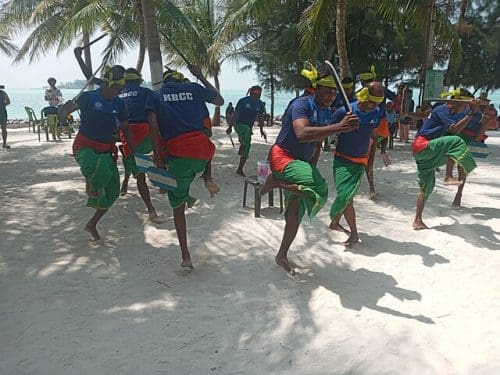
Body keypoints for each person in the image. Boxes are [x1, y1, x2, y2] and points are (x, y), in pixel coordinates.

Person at [259, 64, 359, 275]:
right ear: (316, 88)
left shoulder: (327, 111)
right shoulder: (301, 104)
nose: (332, 94)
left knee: (295, 214)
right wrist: (339, 127)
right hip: (282, 157)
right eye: (327, 89)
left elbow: (317, 141)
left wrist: (312, 164)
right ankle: (275, 181)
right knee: (320, 190)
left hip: (302, 163)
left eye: (334, 90)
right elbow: (302, 134)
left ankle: (281, 255)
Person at [146, 66, 224, 269]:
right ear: (181, 81)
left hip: (179, 155)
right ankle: (207, 179)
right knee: (202, 140)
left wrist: (158, 160)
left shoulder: (156, 95)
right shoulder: (194, 88)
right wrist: (200, 76)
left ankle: (186, 256)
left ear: (165, 83)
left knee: (177, 208)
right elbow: (219, 101)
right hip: (205, 152)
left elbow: (153, 127)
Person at [59, 65, 135, 242]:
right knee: (92, 167)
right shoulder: (87, 97)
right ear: (107, 84)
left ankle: (92, 224)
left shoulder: (119, 103)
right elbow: (63, 115)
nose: (119, 92)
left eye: (121, 89)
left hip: (106, 150)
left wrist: (134, 149)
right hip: (85, 146)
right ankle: (91, 181)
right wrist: (64, 110)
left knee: (113, 192)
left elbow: (125, 127)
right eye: (118, 89)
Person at [412, 88, 479, 230]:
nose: (465, 108)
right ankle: (448, 175)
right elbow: (454, 131)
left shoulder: (451, 113)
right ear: (455, 103)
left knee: (426, 187)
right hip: (423, 145)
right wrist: (471, 113)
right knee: (456, 141)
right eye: (464, 106)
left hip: (424, 151)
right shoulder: (442, 110)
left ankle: (417, 220)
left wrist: (472, 112)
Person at [329, 82, 385, 247]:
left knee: (348, 196)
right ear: (364, 96)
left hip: (361, 161)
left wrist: (377, 154)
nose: (374, 106)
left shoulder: (375, 112)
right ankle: (354, 233)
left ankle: (335, 222)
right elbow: (328, 130)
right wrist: (343, 125)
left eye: (377, 103)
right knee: (346, 197)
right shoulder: (344, 111)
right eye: (371, 102)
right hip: (342, 161)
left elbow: (372, 135)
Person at [114, 67, 164, 222]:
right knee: (156, 159)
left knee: (139, 172)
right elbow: (157, 114)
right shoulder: (147, 93)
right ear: (138, 80)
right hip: (144, 133)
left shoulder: (117, 95)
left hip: (125, 134)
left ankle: (150, 208)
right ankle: (160, 186)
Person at [444, 93, 489, 207]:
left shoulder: (484, 116)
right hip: (458, 136)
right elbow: (454, 123)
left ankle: (459, 194)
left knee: (462, 168)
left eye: (485, 102)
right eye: (481, 101)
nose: (483, 104)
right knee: (451, 158)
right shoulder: (466, 109)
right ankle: (448, 177)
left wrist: (484, 125)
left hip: (469, 139)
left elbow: (479, 135)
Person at [358, 65, 393, 199]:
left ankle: (371, 187)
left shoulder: (362, 93)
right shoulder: (372, 92)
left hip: (374, 126)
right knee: (366, 160)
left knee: (367, 160)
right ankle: (371, 187)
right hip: (372, 127)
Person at [226, 85, 267, 176]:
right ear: (253, 92)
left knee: (246, 137)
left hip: (248, 127)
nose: (259, 94)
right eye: (258, 92)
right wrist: (230, 126)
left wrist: (261, 130)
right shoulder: (243, 101)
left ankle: (242, 146)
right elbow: (235, 114)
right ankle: (240, 169)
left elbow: (260, 117)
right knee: (247, 145)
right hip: (239, 125)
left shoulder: (260, 104)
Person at [0, 85, 11, 149]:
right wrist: (3, 104)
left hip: (2, 112)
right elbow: (8, 102)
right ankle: (4, 143)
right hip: (2, 112)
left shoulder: (3, 93)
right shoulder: (3, 93)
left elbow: (8, 102)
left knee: (4, 128)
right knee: (4, 128)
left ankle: (4, 143)